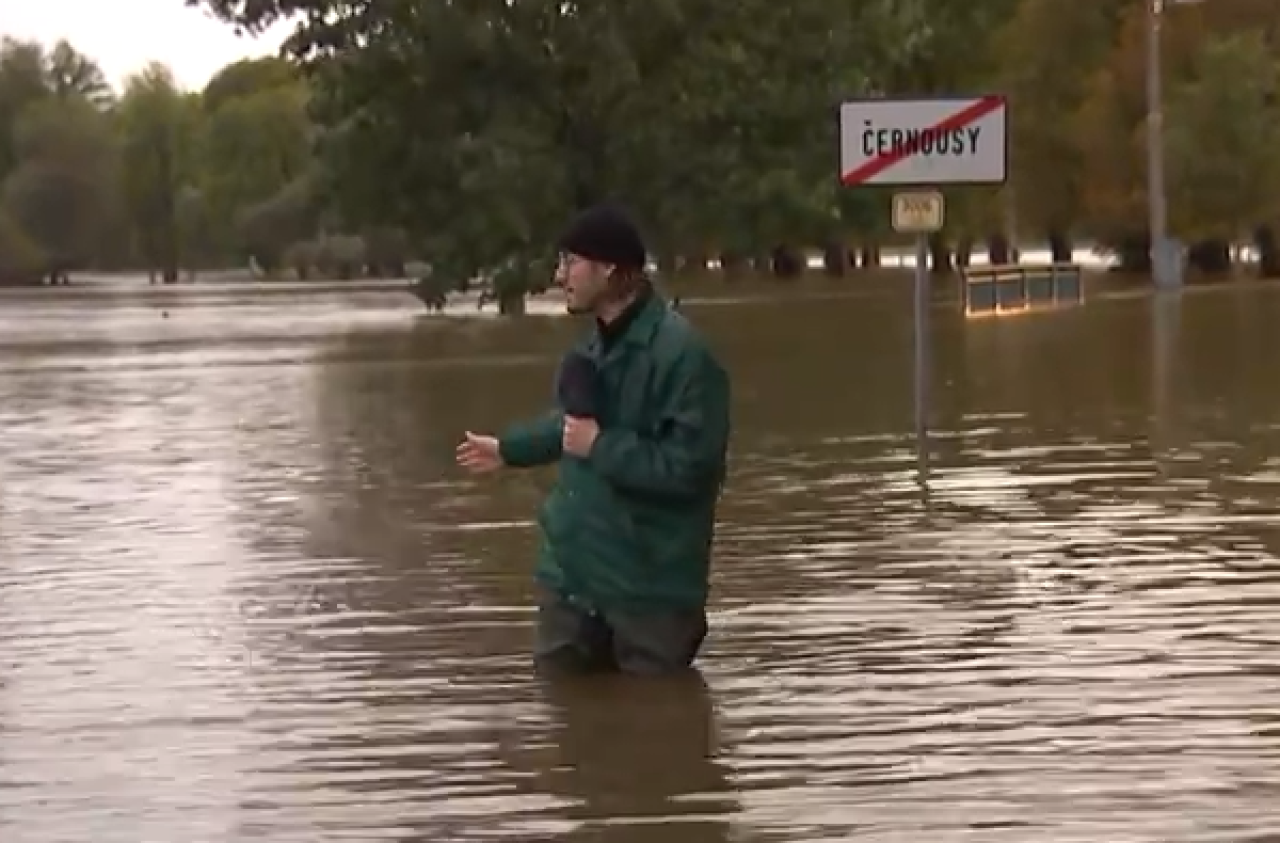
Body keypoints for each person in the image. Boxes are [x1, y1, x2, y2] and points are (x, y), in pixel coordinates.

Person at [455, 202, 731, 676]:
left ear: (609, 269)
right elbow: (571, 426)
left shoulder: (684, 356)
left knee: (657, 732)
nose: (560, 274)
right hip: (572, 580)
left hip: (649, 590)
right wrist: (508, 449)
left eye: (570, 261)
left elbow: (691, 470)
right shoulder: (591, 345)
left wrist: (599, 446)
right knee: (564, 724)